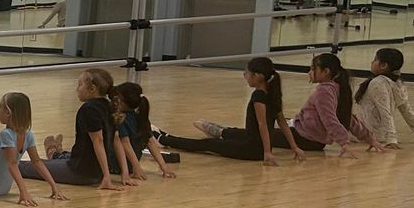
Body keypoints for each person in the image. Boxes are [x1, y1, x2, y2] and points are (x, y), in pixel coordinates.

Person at [159, 58, 292, 165]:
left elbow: (262, 125)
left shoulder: (258, 96)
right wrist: (294, 147)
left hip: (250, 150)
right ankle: (215, 130)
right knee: (233, 132)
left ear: (257, 76)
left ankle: (164, 139)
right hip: (254, 144)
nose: (245, 76)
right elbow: (282, 123)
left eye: (247, 73)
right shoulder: (273, 93)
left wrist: (267, 152)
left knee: (207, 144)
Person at [33, 69, 125, 190]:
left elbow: (98, 141)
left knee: (29, 166)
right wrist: (125, 173)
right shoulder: (108, 105)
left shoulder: (89, 109)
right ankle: (56, 152)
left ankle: (53, 152)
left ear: (92, 89)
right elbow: (116, 139)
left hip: (80, 172)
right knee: (60, 159)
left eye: (80, 85)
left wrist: (107, 178)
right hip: (94, 172)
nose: (77, 89)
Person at [287, 52, 374, 156]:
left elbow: (329, 118)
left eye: (313, 69)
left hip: (304, 137)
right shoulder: (337, 88)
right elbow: (347, 117)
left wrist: (343, 142)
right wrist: (370, 138)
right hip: (314, 139)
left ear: (326, 71)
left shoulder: (324, 91)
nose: (309, 73)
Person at [354, 46, 414, 149]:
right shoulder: (398, 83)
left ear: (383, 65)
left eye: (375, 60)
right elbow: (408, 112)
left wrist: (391, 139)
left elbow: (385, 111)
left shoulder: (377, 83)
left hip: (365, 132)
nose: (372, 62)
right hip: (379, 134)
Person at [109, 81, 176, 182]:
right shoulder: (140, 115)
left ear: (122, 102)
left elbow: (125, 143)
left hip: (115, 164)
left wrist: (137, 167)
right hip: (129, 165)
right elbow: (150, 141)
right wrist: (163, 166)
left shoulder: (120, 117)